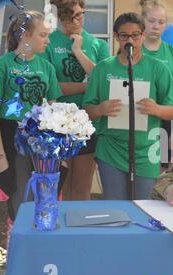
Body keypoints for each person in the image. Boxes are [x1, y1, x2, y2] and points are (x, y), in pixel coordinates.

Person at [83, 12, 173, 200]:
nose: (130, 40)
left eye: (135, 35)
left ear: (143, 36)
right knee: (116, 207)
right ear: (117, 37)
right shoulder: (103, 68)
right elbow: (87, 110)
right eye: (124, 35)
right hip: (111, 149)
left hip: (146, 150)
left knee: (145, 208)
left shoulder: (158, 68)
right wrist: (101, 109)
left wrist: (156, 109)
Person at [0, 11, 62, 220]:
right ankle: (18, 246)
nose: (48, 41)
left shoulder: (46, 67)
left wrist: (57, 149)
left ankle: (40, 247)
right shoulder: (2, 64)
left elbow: (53, 110)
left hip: (39, 138)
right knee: (21, 198)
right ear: (25, 35)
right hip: (11, 137)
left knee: (43, 199)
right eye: (43, 35)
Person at [40, 0, 110, 200]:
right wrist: (87, 86)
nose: (76, 20)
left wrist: (78, 51)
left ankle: (80, 229)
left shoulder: (98, 44)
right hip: (57, 123)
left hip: (89, 122)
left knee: (81, 187)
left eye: (80, 14)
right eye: (70, 17)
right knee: (60, 185)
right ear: (60, 17)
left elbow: (103, 82)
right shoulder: (49, 43)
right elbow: (50, 87)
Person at [140, 0, 173, 166]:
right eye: (151, 21)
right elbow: (134, 91)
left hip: (171, 124)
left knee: (170, 180)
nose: (156, 26)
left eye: (161, 22)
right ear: (142, 21)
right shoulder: (132, 51)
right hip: (141, 121)